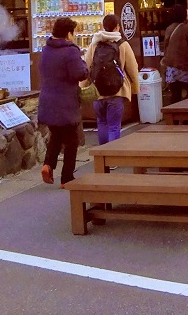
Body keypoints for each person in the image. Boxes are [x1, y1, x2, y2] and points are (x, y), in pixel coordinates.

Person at [37, 17, 90, 186]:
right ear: (68, 34)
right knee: (72, 141)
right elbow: (79, 74)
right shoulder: (70, 51)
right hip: (66, 102)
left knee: (56, 135)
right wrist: (85, 66)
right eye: (73, 33)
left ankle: (47, 165)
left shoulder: (46, 49)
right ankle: (67, 178)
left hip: (48, 101)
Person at [84, 13, 139, 145]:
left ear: (103, 26)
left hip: (98, 92)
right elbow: (133, 69)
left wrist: (83, 87)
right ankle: (112, 158)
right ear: (117, 27)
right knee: (114, 126)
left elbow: (86, 67)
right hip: (117, 91)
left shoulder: (95, 44)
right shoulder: (123, 44)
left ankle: (103, 157)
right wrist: (135, 89)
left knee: (102, 123)